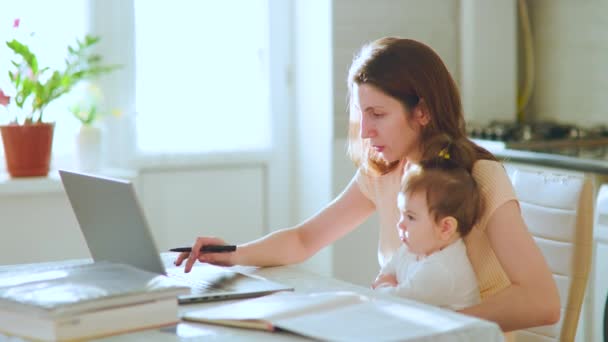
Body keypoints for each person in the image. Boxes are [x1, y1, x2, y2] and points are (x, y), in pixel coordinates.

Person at [175, 37, 560, 332]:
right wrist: (233, 252)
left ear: (422, 111)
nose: (367, 130)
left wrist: (439, 328)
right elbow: (304, 240)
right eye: (362, 114)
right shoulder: (384, 171)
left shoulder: (481, 177)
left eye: (378, 114)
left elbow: (542, 302)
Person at [371, 136, 481, 311]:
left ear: (445, 228)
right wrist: (386, 283)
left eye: (411, 217)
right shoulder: (411, 249)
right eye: (402, 214)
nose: (400, 225)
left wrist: (384, 287)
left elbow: (391, 302)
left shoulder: (441, 270)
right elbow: (386, 272)